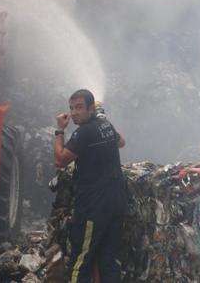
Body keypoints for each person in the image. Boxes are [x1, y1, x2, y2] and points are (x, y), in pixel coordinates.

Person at [54, 89, 126, 283]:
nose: (74, 113)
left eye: (79, 107)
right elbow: (121, 142)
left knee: (81, 260)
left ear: (91, 108)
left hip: (94, 207)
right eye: (71, 108)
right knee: (109, 261)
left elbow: (60, 160)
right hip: (117, 203)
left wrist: (60, 130)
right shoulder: (105, 124)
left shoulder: (84, 132)